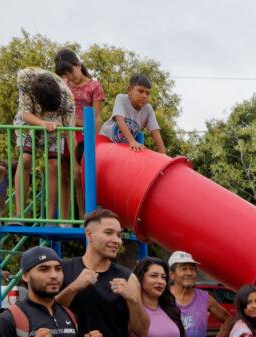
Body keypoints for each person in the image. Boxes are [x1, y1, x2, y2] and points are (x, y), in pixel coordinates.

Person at [57, 209, 150, 337]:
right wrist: (74, 287)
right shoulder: (64, 270)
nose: (116, 240)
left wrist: (133, 300)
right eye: (109, 233)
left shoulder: (127, 277)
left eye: (119, 235)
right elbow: (47, 314)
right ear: (89, 235)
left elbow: (142, 331)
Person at [12, 67, 75, 222]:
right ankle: (19, 215)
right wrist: (42, 123)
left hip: (55, 124)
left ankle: (50, 219)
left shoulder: (68, 98)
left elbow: (69, 131)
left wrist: (75, 163)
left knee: (54, 165)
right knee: (25, 159)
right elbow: (25, 113)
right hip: (29, 121)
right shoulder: (25, 78)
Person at [52, 49, 104, 216]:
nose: (70, 77)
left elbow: (96, 117)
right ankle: (64, 220)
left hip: (83, 135)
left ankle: (84, 217)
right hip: (65, 133)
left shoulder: (94, 86)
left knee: (79, 176)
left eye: (71, 72)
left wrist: (94, 140)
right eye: (65, 74)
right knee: (63, 175)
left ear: (78, 65)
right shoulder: (64, 85)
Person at [168, 251, 233, 337]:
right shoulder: (163, 298)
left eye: (192, 269)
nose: (189, 273)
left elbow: (229, 320)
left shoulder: (204, 298)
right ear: (172, 275)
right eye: (184, 268)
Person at [99, 74, 165, 154]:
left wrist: (162, 153)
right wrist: (132, 141)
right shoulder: (121, 98)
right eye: (140, 91)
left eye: (147, 93)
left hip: (122, 147)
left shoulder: (148, 109)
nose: (144, 96)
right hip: (106, 140)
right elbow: (119, 120)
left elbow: (155, 131)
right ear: (129, 90)